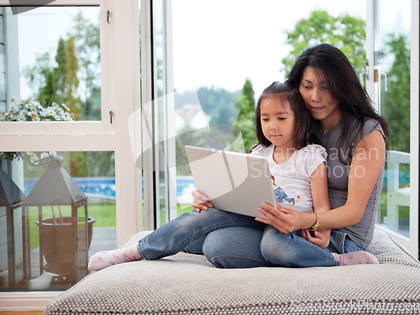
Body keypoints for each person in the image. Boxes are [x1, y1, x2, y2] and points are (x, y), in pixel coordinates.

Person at [88, 80, 377, 271]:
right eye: (265, 119)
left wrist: (323, 234)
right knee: (198, 220)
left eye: (281, 118)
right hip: (255, 217)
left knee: (271, 245)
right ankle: (138, 250)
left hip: (289, 226)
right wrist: (207, 198)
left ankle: (335, 261)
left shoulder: (311, 155)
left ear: (299, 118)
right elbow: (234, 192)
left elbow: (322, 205)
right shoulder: (258, 154)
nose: (272, 126)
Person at [192, 44, 388, 267]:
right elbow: (263, 172)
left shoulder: (367, 133)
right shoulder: (302, 124)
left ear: (343, 86)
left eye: (325, 87)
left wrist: (310, 221)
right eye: (307, 86)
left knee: (217, 246)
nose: (315, 97)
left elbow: (354, 211)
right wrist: (213, 196)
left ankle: (334, 260)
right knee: (200, 234)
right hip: (286, 222)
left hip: (336, 237)